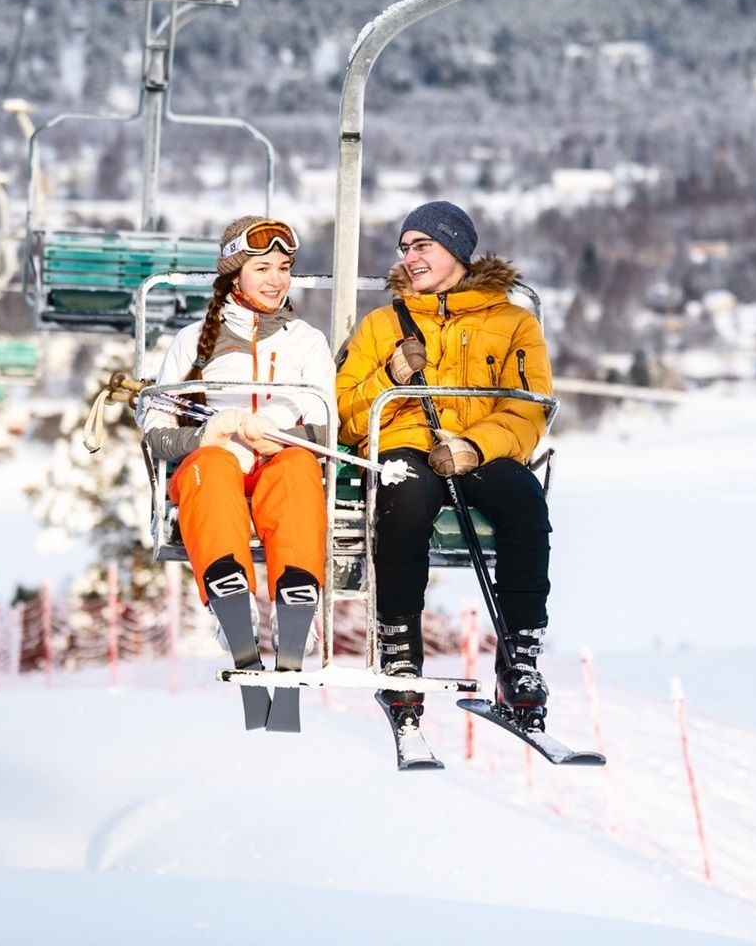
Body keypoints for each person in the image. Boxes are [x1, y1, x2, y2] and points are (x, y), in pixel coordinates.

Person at [336, 201, 557, 731]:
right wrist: (390, 375)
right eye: (405, 247)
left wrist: (473, 447)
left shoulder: (513, 323)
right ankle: (400, 651)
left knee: (525, 503)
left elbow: (529, 406)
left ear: (456, 249)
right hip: (406, 441)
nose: (410, 257)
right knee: (403, 497)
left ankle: (520, 656)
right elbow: (345, 416)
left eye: (422, 245)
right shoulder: (382, 324)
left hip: (481, 448)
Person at [140, 216, 334, 731]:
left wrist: (285, 432)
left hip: (278, 461)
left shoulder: (305, 342)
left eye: (285, 268)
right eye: (262, 267)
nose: (276, 279)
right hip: (215, 466)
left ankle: (296, 595)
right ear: (233, 274)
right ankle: (233, 601)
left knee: (295, 469)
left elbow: (327, 426)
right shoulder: (191, 344)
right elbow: (155, 428)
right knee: (211, 468)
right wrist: (208, 435)